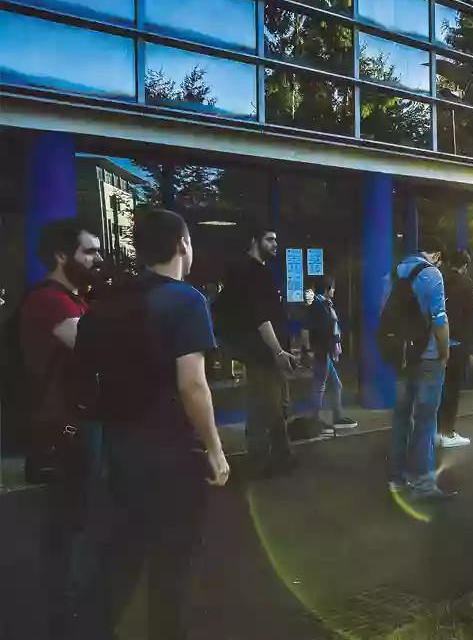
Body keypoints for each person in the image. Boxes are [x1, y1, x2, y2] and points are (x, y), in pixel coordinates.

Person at [75, 209, 229, 640]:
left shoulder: (109, 298)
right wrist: (215, 448)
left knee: (121, 555)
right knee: (173, 565)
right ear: (183, 245)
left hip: (121, 446)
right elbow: (193, 386)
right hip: (174, 454)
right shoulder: (186, 300)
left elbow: (85, 368)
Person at [14, 219, 103, 639]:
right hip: (64, 426)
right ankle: (65, 618)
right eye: (89, 251)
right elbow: (94, 348)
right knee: (70, 523)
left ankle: (71, 609)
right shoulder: (50, 301)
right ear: (61, 256)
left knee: (79, 518)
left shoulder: (74, 299)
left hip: (78, 420)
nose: (97, 259)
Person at [215, 224, 298, 476]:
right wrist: (278, 351)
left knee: (271, 406)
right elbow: (261, 317)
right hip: (262, 353)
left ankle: (281, 457)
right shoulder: (255, 273)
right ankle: (260, 463)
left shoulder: (244, 271)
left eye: (276, 240)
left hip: (257, 353)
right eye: (270, 239)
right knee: (265, 408)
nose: (275, 244)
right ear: (254, 241)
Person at [387, 236, 455, 500]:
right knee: (426, 419)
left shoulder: (395, 272)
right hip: (427, 357)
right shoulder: (432, 275)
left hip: (402, 356)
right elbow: (440, 318)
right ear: (436, 254)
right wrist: (445, 351)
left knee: (402, 415)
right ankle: (422, 484)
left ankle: (397, 477)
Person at [303, 275, 356, 436]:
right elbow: (306, 330)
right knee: (319, 387)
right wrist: (310, 351)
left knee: (336, 385)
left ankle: (337, 417)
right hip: (321, 352)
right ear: (327, 289)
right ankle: (315, 421)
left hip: (324, 352)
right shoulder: (318, 306)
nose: (334, 290)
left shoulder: (324, 305)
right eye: (332, 288)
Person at [438, 250, 473, 448]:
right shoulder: (466, 284)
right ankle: (448, 432)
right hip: (457, 342)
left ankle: (435, 431)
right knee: (452, 388)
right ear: (464, 266)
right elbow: (471, 314)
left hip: (437, 341)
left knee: (438, 387)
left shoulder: (438, 278)